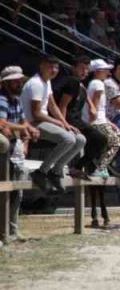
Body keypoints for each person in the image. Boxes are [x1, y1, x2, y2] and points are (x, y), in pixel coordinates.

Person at [22, 55, 87, 191]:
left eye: (56, 67)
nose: (53, 70)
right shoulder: (36, 83)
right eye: (50, 66)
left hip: (43, 121)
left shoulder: (47, 81)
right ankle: (41, 172)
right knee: (68, 138)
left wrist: (65, 123)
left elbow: (52, 105)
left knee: (80, 139)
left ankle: (55, 171)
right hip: (32, 123)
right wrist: (58, 122)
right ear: (41, 66)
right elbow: (36, 113)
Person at [0, 65, 36, 243]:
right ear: (6, 83)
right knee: (6, 193)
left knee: (17, 193)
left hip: (16, 150)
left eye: (20, 81)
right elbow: (1, 122)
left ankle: (12, 230)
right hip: (7, 152)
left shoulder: (16, 100)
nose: (19, 83)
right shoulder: (2, 99)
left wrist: (28, 132)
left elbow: (22, 122)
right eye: (15, 81)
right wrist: (24, 128)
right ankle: (5, 232)